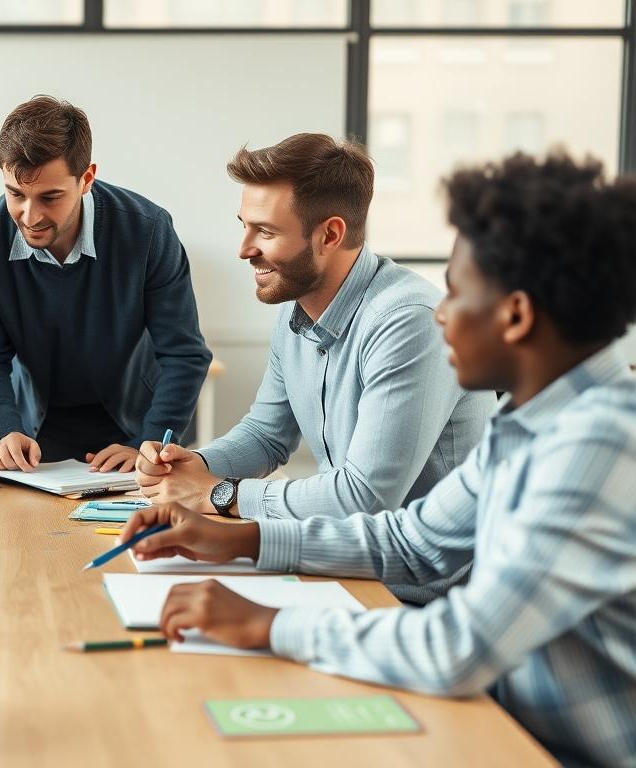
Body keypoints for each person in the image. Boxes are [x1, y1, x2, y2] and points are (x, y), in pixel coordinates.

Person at [119, 151, 636, 768]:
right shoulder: (532, 422)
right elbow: (413, 541)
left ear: (516, 315)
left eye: (456, 292)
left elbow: (457, 646)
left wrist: (266, 623)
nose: (441, 313)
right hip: (498, 715)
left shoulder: (599, 443)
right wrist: (234, 540)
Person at [135, 133, 494, 603]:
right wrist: (194, 466)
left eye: (264, 231)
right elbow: (266, 434)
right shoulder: (296, 308)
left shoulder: (408, 322)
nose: (244, 248)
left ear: (330, 235)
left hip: (426, 596)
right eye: (244, 226)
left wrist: (219, 493)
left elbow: (364, 499)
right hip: (348, 569)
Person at [0, 95, 211, 473]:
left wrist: (152, 441)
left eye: (50, 197)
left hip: (140, 424)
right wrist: (4, 429)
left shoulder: (147, 230)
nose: (30, 216)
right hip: (39, 431)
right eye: (15, 194)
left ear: (86, 180)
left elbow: (184, 354)